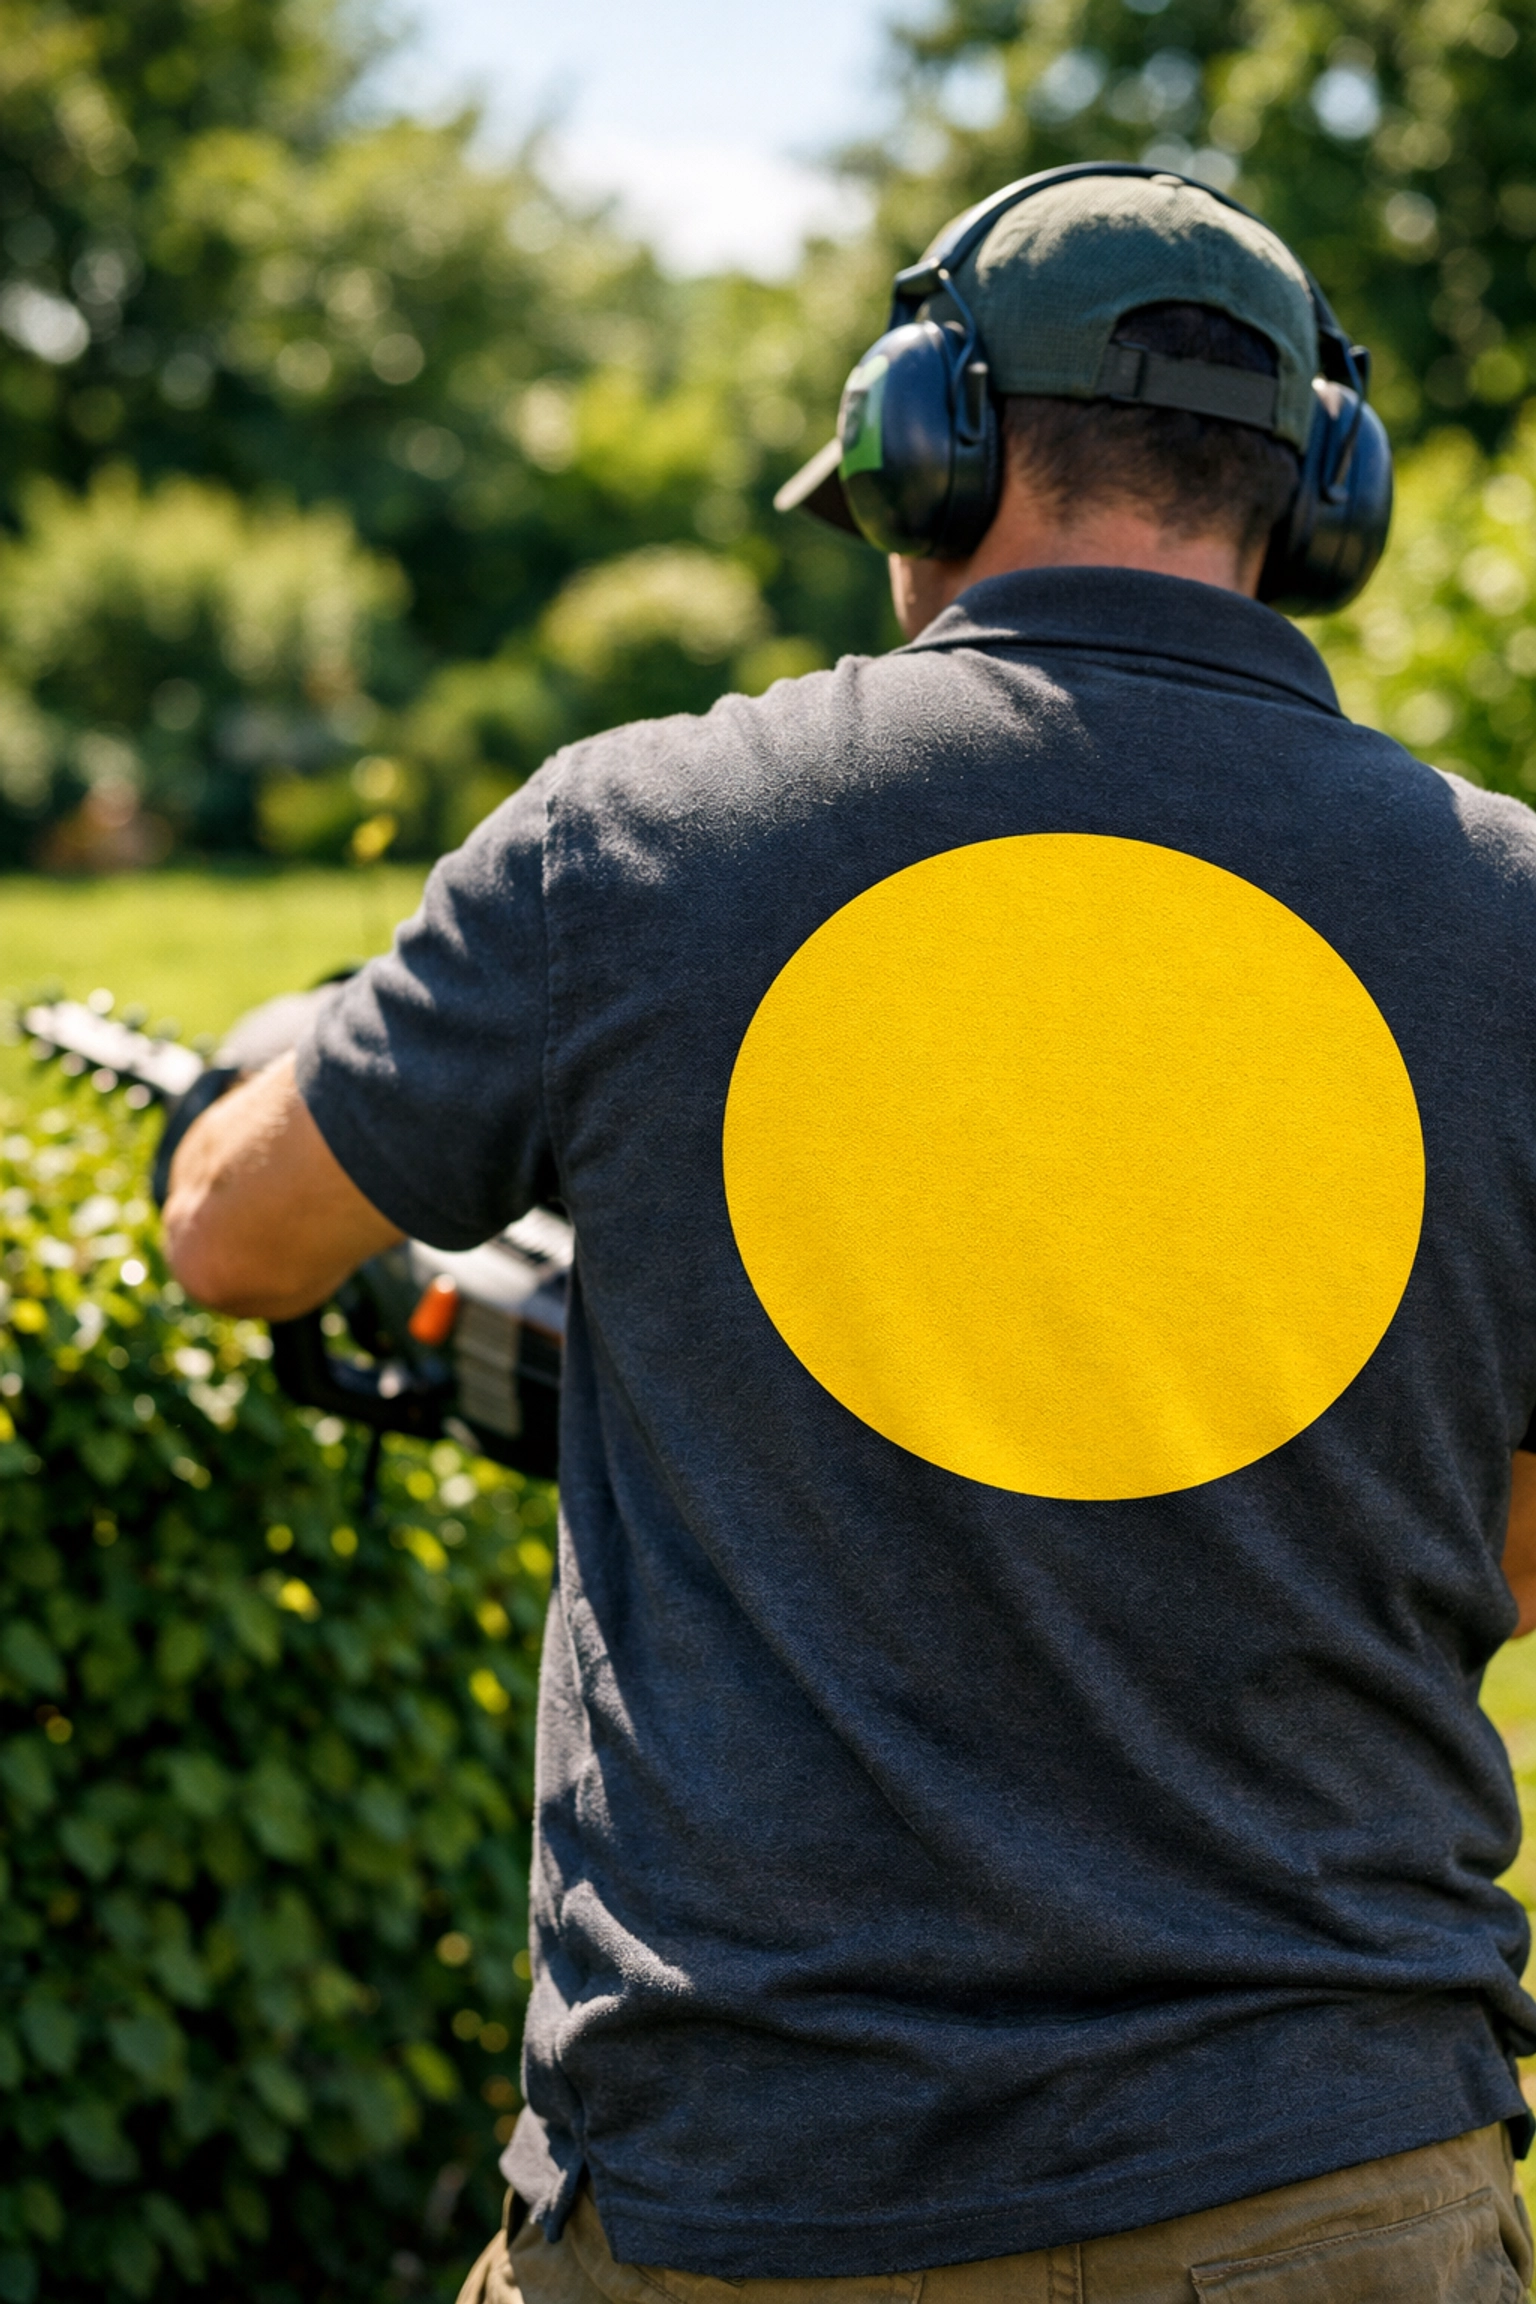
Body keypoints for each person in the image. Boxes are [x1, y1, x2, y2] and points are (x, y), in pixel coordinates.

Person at [165, 167, 1536, 2302]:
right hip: (1339, 2177)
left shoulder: (631, 838)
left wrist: (294, 1066)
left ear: (929, 444)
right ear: (1316, 496)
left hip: (749, 2192)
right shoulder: (1514, 916)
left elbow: (235, 1239)